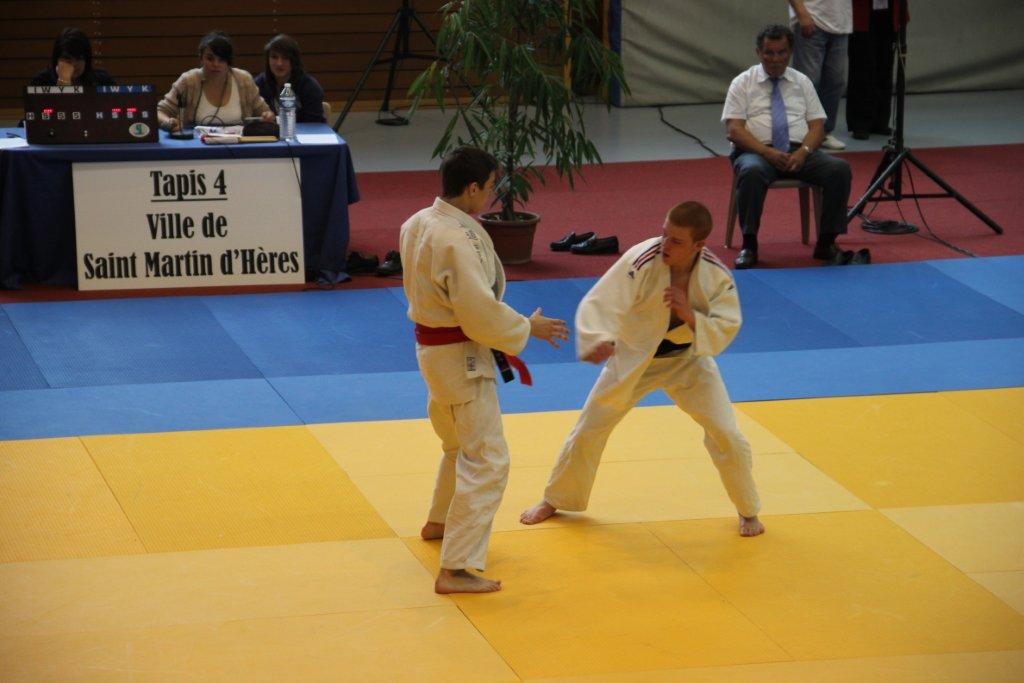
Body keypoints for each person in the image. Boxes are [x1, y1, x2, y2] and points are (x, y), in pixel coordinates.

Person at [520, 201, 764, 538]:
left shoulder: (715, 275)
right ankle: (555, 499)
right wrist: (600, 337)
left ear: (699, 245)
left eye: (677, 241)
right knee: (589, 427)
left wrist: (690, 314)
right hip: (634, 356)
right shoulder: (642, 259)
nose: (665, 244)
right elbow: (602, 300)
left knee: (728, 434)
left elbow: (727, 324)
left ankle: (748, 509)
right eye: (664, 234)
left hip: (688, 360)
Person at [401, 146, 569, 594]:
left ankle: (440, 522)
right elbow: (477, 312)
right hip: (461, 359)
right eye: (490, 186)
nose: (492, 194)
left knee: (457, 445)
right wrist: (527, 327)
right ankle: (455, 567)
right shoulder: (454, 238)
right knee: (488, 460)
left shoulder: (417, 222)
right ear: (472, 187)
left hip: (433, 355)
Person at [721, 23, 852, 269]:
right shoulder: (742, 82)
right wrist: (766, 152)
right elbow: (734, 130)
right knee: (752, 171)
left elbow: (817, 127)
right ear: (758, 52)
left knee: (839, 169)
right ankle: (749, 245)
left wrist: (803, 152)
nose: (775, 58)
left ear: (790, 52)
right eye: (769, 53)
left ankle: (826, 242)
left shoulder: (802, 82)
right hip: (756, 152)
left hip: (797, 151)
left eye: (781, 52)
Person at [157, 31, 274, 132]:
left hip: (238, 143)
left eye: (221, 59)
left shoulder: (244, 80)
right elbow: (159, 112)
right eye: (210, 58)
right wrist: (169, 122)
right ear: (201, 58)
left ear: (229, 61)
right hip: (198, 145)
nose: (215, 64)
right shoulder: (188, 80)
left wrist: (267, 117)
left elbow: (266, 113)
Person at [788, 0, 852, 150]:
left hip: (840, 22)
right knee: (808, 82)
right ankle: (800, 134)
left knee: (835, 81)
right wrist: (801, 13)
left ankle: (823, 133)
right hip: (812, 17)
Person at [846, 0, 906, 140]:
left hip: (888, 14)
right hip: (863, 14)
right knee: (862, 70)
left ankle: (880, 121)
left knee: (885, 70)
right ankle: (860, 123)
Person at [254, 34, 326, 124]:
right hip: (270, 132)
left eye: (285, 58)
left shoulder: (310, 87)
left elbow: (315, 125)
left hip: (303, 132)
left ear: (294, 61)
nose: (279, 63)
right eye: (274, 57)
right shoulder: (258, 84)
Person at [31, 27, 115, 87]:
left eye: (79, 59)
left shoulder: (103, 81)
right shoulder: (41, 81)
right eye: (67, 58)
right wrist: (63, 84)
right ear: (57, 59)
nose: (74, 64)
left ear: (86, 60)